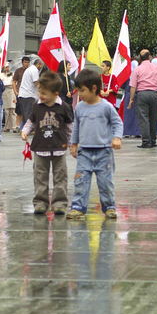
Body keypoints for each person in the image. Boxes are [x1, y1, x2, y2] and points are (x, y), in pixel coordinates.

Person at [67, 69, 124, 220]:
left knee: (105, 182)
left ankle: (109, 207)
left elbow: (118, 123)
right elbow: (76, 127)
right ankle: (78, 207)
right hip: (84, 152)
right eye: (78, 90)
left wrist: (117, 138)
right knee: (80, 181)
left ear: (94, 88)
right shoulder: (79, 107)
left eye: (82, 90)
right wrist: (73, 144)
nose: (80, 94)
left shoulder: (106, 106)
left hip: (104, 152)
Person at [20, 71, 74, 215]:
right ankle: (40, 202)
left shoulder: (63, 107)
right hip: (40, 147)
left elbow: (70, 127)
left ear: (56, 93)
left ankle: (60, 203)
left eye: (44, 93)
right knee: (40, 176)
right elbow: (31, 121)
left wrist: (72, 142)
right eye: (39, 92)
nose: (40, 95)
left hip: (59, 147)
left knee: (60, 176)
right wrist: (25, 131)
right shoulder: (37, 106)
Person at [128, 50, 157, 148]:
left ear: (140, 58)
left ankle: (146, 141)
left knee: (144, 118)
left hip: (142, 94)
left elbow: (133, 86)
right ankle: (153, 140)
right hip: (154, 94)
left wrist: (131, 99)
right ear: (150, 57)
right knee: (153, 118)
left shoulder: (137, 69)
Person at [17, 56, 42, 128]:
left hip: (25, 94)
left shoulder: (30, 69)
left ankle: (22, 128)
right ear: (39, 64)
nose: (41, 67)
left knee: (26, 113)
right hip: (28, 95)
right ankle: (27, 129)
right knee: (28, 113)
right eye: (41, 65)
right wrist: (42, 91)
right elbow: (36, 82)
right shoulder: (34, 70)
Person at [12, 56, 30, 130]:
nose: (27, 64)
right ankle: (17, 126)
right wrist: (15, 91)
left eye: (28, 62)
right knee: (19, 111)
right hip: (20, 93)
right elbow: (14, 81)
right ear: (22, 62)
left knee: (27, 111)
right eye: (25, 62)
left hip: (28, 93)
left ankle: (25, 126)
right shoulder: (18, 71)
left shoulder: (30, 71)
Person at [2, 63, 17, 132]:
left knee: (13, 110)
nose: (7, 68)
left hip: (12, 91)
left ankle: (14, 127)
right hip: (5, 91)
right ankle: (7, 127)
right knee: (7, 110)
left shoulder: (13, 74)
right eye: (6, 67)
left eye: (8, 67)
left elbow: (14, 83)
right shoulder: (1, 75)